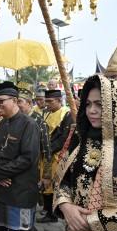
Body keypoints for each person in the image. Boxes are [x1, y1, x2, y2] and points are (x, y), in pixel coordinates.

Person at [53, 75, 117, 231]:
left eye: (100, 104)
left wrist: (90, 221)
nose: (92, 111)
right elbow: (62, 179)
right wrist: (65, 206)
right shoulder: (80, 138)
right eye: (88, 104)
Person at [0, 81, 40, 231]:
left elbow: (27, 158)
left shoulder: (29, 124)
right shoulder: (3, 123)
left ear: (15, 100)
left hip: (19, 194)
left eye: (1, 101)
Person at [17, 81, 52, 231]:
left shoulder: (39, 121)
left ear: (30, 103)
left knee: (28, 203)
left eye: (20, 102)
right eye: (15, 101)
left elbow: (46, 149)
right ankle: (29, 228)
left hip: (33, 171)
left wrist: (46, 175)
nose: (17, 106)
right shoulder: (16, 119)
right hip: (17, 168)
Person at [38, 89, 73, 223]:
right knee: (45, 182)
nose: (47, 104)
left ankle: (53, 213)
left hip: (56, 155)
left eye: (50, 101)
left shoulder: (66, 115)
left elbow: (63, 138)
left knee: (53, 184)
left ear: (59, 100)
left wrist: (49, 150)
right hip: (45, 154)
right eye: (46, 101)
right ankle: (48, 211)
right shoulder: (46, 114)